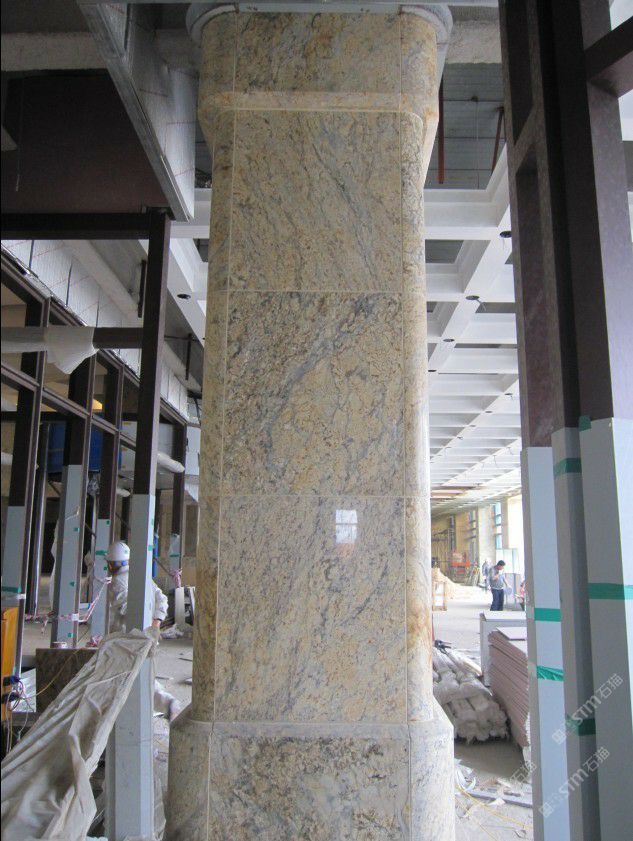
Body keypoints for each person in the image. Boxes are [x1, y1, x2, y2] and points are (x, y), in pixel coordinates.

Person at [107, 540, 181, 722]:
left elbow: (128, 609)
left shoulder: (117, 583)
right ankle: (165, 704)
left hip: (128, 641)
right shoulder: (142, 578)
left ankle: (167, 703)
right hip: (148, 635)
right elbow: (162, 599)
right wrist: (156, 623)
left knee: (129, 676)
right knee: (140, 673)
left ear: (111, 564)